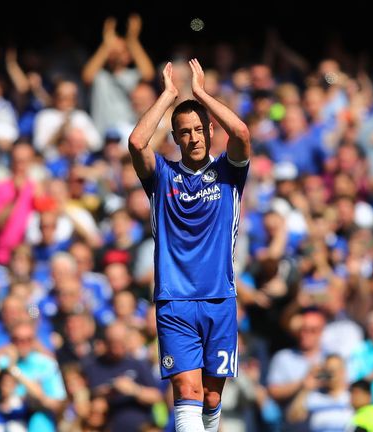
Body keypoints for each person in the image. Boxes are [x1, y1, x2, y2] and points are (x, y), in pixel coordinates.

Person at [129, 58, 250, 432]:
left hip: (219, 297)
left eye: (199, 129)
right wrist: (168, 96)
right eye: (184, 132)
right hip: (174, 299)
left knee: (212, 398)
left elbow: (242, 133)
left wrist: (201, 94)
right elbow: (136, 142)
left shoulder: (228, 173)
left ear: (210, 131)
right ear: (176, 137)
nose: (193, 137)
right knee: (188, 389)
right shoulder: (161, 176)